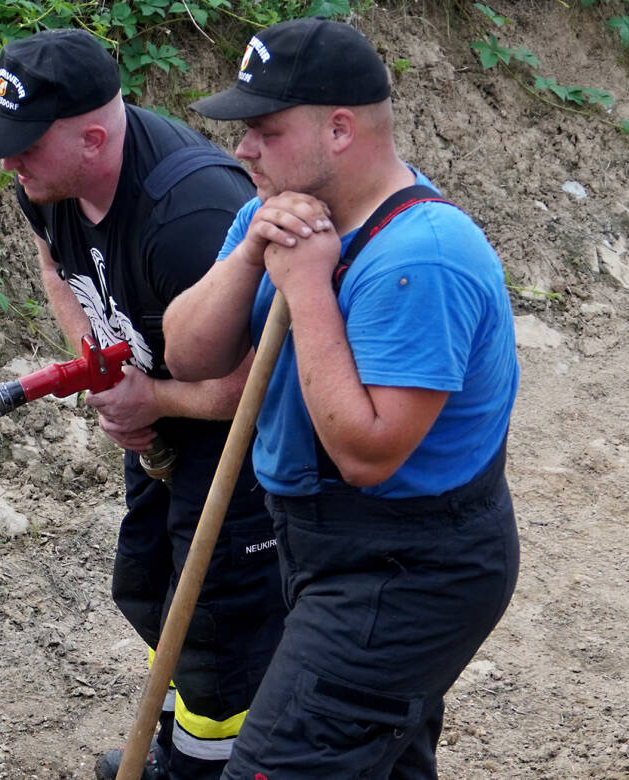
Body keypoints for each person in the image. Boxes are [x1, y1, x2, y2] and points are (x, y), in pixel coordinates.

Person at [161, 18, 521, 779]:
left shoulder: (421, 256)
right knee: (376, 763)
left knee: (281, 766)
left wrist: (308, 286)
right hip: (321, 541)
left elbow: (366, 452)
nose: (242, 150)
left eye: (263, 130)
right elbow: (188, 354)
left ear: (339, 128)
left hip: (412, 565)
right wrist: (254, 253)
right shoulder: (279, 211)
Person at [0, 28, 287, 780]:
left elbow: (269, 377)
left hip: (240, 439)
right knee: (144, 586)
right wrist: (101, 365)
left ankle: (214, 767)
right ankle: (171, 747)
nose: (8, 162)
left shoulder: (190, 214)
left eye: (24, 146)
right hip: (164, 419)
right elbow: (54, 263)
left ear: (94, 139)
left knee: (217, 628)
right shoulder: (49, 184)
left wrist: (153, 396)